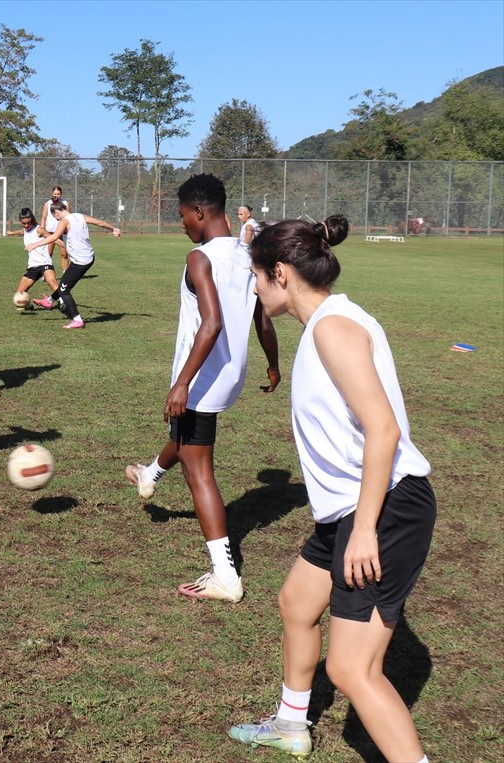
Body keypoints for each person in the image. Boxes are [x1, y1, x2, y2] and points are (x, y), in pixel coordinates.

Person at [228, 216, 435, 762]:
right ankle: (291, 725)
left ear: (280, 272)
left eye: (256, 277)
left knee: (350, 668)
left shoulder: (332, 328)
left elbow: (383, 429)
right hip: (351, 509)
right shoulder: (328, 320)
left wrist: (365, 527)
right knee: (297, 603)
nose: (253, 288)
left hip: (384, 508)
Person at [123, 174, 280, 602]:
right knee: (188, 439)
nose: (182, 225)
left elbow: (210, 323)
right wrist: (272, 363)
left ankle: (225, 576)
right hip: (231, 374)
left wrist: (181, 382)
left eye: (182, 217)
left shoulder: (199, 257)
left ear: (199, 212)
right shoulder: (248, 255)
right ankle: (149, 473)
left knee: (200, 472)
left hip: (203, 376)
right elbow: (263, 318)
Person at [26, 201, 122, 329]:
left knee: (65, 290)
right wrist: (113, 229)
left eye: (55, 217)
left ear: (57, 212)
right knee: (65, 282)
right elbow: (100, 222)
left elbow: (54, 237)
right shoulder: (80, 216)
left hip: (80, 262)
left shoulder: (64, 221)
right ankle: (49, 301)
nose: (56, 219)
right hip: (88, 257)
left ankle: (77, 320)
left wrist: (35, 244)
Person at [4, 207, 61, 308]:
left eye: (28, 223)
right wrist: (12, 233)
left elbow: (54, 239)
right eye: (24, 224)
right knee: (20, 293)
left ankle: (64, 302)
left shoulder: (39, 230)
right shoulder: (26, 229)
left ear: (33, 220)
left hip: (45, 263)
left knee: (51, 282)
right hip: (33, 266)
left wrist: (68, 247)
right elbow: (23, 231)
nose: (26, 225)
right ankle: (29, 306)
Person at [40, 186, 71, 272]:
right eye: (55, 194)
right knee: (48, 254)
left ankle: (66, 272)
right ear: (52, 194)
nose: (56, 195)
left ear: (61, 194)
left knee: (64, 254)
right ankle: (45, 273)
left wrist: (67, 230)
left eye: (58, 194)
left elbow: (69, 217)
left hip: (62, 232)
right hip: (50, 232)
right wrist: (42, 230)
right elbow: (44, 217)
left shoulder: (65, 203)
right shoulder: (48, 203)